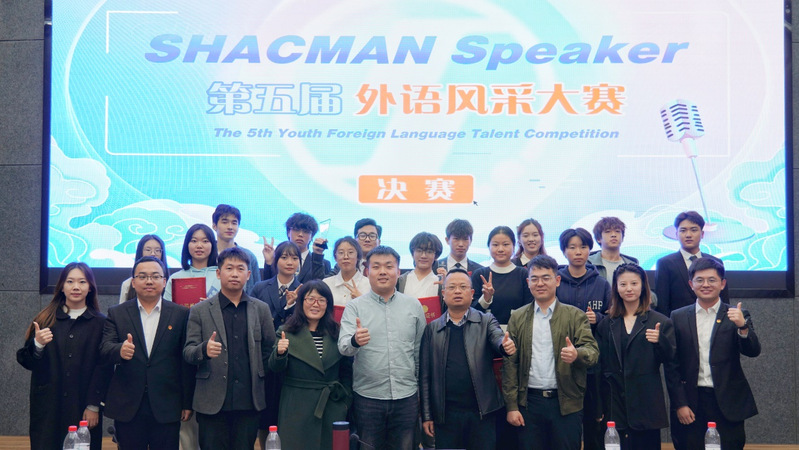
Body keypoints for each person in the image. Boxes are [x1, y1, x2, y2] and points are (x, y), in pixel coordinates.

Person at [183, 247, 277, 450]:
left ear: (248, 275)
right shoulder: (200, 311)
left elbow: (268, 351)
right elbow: (188, 352)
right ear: (218, 273)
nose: (235, 274)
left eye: (240, 269)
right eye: (229, 268)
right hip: (212, 403)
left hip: (249, 402)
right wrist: (204, 350)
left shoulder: (261, 309)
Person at [503, 254, 598, 450]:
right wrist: (512, 406)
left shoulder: (575, 315)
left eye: (546, 278)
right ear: (528, 283)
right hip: (529, 403)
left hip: (567, 403)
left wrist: (577, 354)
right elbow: (510, 364)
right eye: (535, 279)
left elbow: (593, 352)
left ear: (557, 280)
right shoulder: (518, 317)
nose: (540, 283)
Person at [665, 257, 760, 450]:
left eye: (712, 280)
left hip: (727, 402)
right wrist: (680, 404)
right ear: (691, 284)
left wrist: (742, 326)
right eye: (699, 280)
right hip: (692, 402)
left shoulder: (736, 314)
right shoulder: (678, 316)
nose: (706, 285)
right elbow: (672, 365)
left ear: (722, 284)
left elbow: (753, 351)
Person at [101, 256, 195, 449]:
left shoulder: (180, 314)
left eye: (155, 276)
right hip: (129, 404)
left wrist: (187, 402)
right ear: (133, 282)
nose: (149, 281)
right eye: (142, 276)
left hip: (167, 403)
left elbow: (185, 362)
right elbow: (104, 348)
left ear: (164, 281)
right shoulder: (117, 313)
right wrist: (120, 350)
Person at [338, 246, 426, 450]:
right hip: (368, 397)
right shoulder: (355, 307)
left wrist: (420, 392)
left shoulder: (413, 306)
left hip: (406, 396)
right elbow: (343, 347)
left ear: (399, 271)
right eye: (376, 266)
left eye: (389, 266)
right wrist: (355, 340)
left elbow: (419, 352)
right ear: (367, 271)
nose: (383, 272)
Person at [17, 262, 111, 450]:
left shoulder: (101, 323)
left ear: (90, 287)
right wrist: (38, 345)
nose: (76, 287)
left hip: (83, 407)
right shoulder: (45, 319)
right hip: (49, 407)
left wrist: (94, 405)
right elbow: (25, 360)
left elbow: (105, 368)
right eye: (70, 281)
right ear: (61, 286)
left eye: (82, 282)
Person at [420, 268, 516, 450]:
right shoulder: (432, 329)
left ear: (472, 293)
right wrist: (426, 415)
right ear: (443, 294)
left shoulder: (486, 321)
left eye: (463, 287)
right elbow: (425, 376)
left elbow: (497, 338)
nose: (457, 291)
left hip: (482, 413)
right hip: (445, 415)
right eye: (452, 287)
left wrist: (504, 346)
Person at [595, 264, 675, 449]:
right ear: (616, 288)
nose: (628, 289)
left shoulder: (660, 321)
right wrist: (599, 406)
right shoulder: (606, 324)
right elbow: (599, 366)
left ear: (643, 286)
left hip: (646, 405)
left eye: (634, 283)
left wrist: (660, 341)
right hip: (615, 404)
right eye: (623, 284)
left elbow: (671, 360)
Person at [268, 280, 353, 450]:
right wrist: (280, 353)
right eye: (310, 299)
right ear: (301, 302)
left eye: (321, 300)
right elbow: (274, 368)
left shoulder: (337, 332)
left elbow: (346, 372)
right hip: (296, 407)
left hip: (331, 405)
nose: (316, 304)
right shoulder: (286, 331)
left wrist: (345, 402)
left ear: (328, 304)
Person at [555, 227, 610, 450]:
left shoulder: (601, 283)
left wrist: (598, 318)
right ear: (563, 251)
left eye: (583, 247)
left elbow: (613, 319)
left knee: (594, 422)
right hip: (561, 361)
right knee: (565, 424)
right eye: (572, 247)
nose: (578, 252)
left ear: (590, 250)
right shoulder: (556, 281)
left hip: (592, 364)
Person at [655, 210, 729, 316]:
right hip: (679, 323)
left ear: (702, 234)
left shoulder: (716, 262)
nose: (688, 235)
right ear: (676, 234)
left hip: (711, 320)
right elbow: (662, 303)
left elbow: (724, 299)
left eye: (694, 230)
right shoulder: (665, 263)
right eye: (683, 230)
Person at [471, 226, 534, 325]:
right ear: (489, 247)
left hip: (517, 330)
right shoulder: (480, 274)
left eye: (505, 244)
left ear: (514, 246)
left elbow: (529, 308)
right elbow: (472, 311)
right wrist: (485, 299)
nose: (500, 249)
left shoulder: (523, 274)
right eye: (495, 245)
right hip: (485, 331)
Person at [261, 212, 331, 281]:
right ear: (288, 232)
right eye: (296, 230)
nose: (300, 234)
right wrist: (269, 263)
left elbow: (320, 286)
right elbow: (268, 285)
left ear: (312, 236)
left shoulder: (323, 263)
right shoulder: (277, 259)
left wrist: (317, 255)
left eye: (306, 231)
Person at [251, 241, 303, 330]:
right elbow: (251, 317)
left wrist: (290, 305)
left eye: (295, 258)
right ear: (275, 260)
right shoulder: (260, 288)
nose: (290, 262)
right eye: (284, 258)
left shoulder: (303, 291)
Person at [213, 204, 261, 295]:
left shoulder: (249, 256)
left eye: (234, 223)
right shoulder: (206, 254)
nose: (230, 227)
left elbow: (257, 291)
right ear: (214, 226)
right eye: (225, 222)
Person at [164, 224, 220, 302]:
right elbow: (167, 307)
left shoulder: (221, 276)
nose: (199, 246)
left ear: (212, 245)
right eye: (194, 241)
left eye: (205, 241)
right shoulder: (175, 278)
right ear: (187, 245)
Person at [119, 234, 169, 303]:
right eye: (148, 250)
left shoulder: (170, 282)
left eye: (157, 250)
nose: (153, 254)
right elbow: (122, 308)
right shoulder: (127, 284)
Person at [587, 217, 639, 281]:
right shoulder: (588, 263)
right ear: (598, 239)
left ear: (622, 237)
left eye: (617, 231)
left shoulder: (632, 264)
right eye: (608, 231)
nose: (613, 235)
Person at [323, 236, 370, 306]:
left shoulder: (369, 285)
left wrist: (361, 300)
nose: (346, 257)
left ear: (358, 256)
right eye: (341, 253)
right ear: (335, 258)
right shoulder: (326, 284)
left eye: (350, 252)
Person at [398, 231, 443, 300]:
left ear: (436, 256)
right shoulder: (401, 280)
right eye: (419, 251)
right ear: (412, 254)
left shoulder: (440, 282)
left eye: (429, 252)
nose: (423, 256)